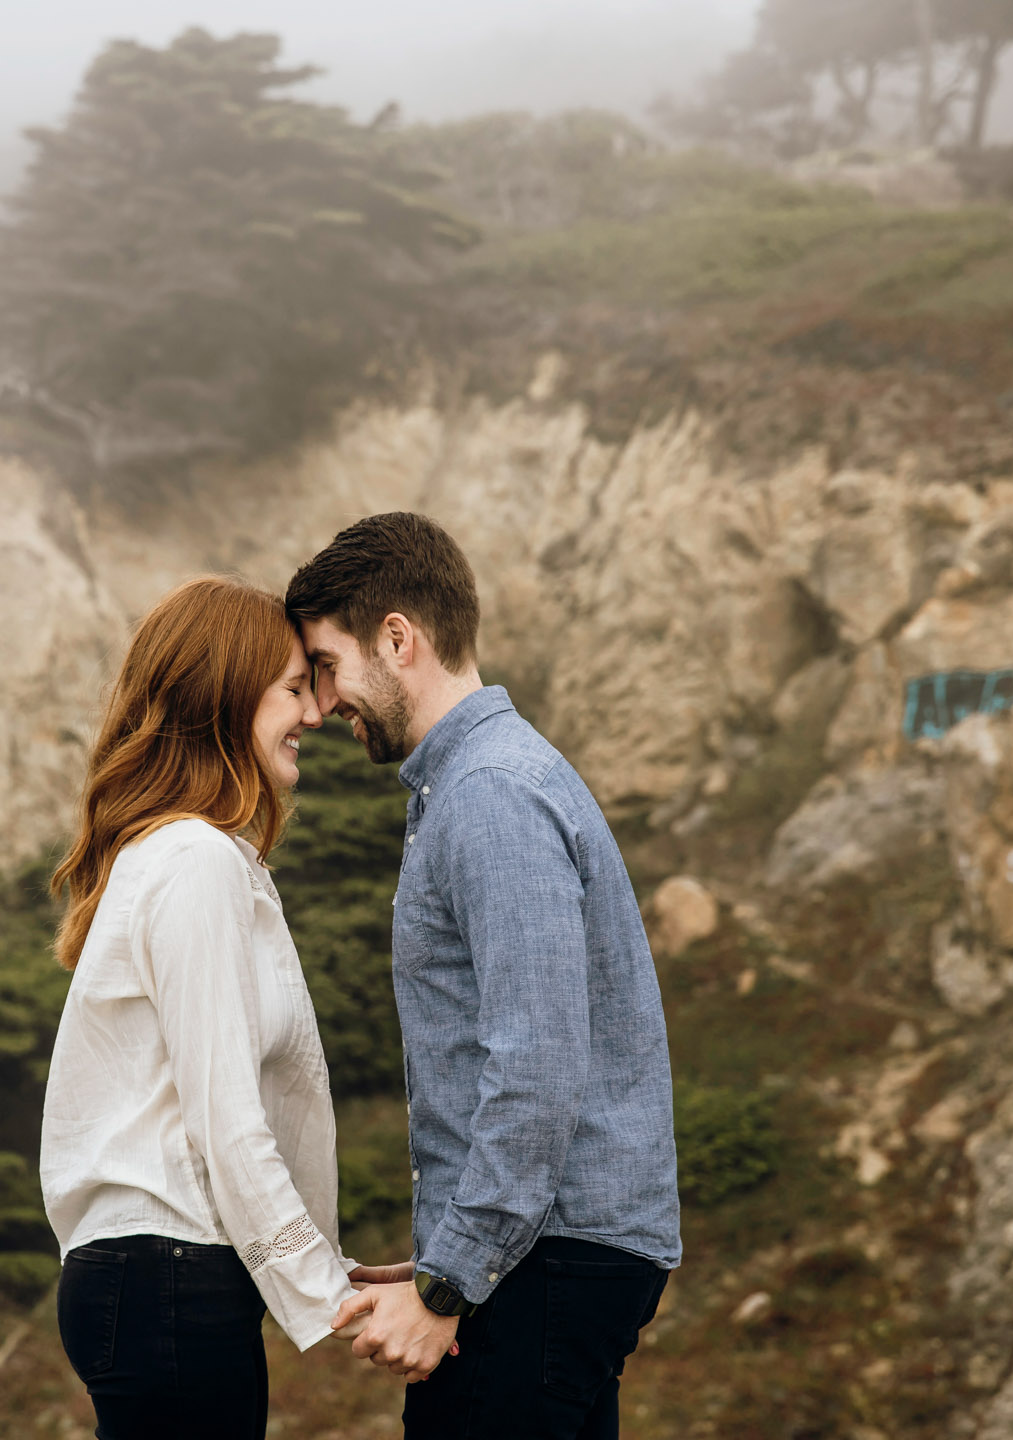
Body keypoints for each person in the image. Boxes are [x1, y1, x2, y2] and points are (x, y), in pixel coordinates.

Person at [288, 513, 681, 1440]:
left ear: (397, 638)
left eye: (327, 665)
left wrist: (452, 1280)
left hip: (547, 1260)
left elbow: (537, 1065)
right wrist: (440, 1259)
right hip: (548, 1253)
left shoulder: (489, 795)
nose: (320, 703)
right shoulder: (483, 783)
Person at [40, 575, 399, 1440]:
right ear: (225, 700)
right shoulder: (193, 860)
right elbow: (223, 1116)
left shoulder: (198, 856)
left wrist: (337, 1268)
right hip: (168, 1279)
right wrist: (326, 1296)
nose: (314, 713)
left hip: (164, 1279)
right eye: (289, 689)